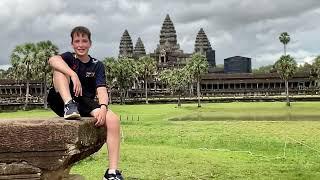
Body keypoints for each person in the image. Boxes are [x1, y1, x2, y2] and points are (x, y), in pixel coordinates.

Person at [47, 26, 124, 180]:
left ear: (90, 43)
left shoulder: (97, 65)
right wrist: (73, 74)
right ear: (72, 44)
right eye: (77, 41)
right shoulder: (69, 57)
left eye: (84, 41)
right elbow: (52, 60)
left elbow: (101, 88)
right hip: (60, 99)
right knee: (59, 68)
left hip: (83, 101)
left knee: (113, 119)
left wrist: (103, 107)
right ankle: (69, 104)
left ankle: (112, 172)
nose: (80, 44)